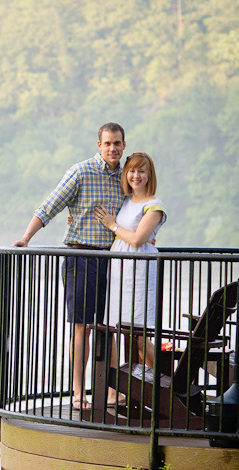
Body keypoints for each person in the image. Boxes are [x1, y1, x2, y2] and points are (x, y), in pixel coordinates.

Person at [13, 122, 126, 411]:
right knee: (82, 327)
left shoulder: (125, 177)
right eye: (108, 143)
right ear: (98, 145)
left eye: (117, 143)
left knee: (109, 328)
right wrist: (26, 237)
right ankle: (79, 392)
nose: (113, 148)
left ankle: (111, 391)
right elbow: (49, 206)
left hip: (112, 261)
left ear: (124, 145)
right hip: (82, 257)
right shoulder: (81, 172)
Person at [94, 152, 166, 370]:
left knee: (140, 336)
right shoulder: (125, 200)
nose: (136, 176)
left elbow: (136, 239)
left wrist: (112, 225)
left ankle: (166, 379)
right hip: (119, 270)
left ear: (149, 175)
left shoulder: (154, 205)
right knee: (119, 327)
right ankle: (127, 385)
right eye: (132, 171)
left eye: (141, 171)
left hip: (140, 271)